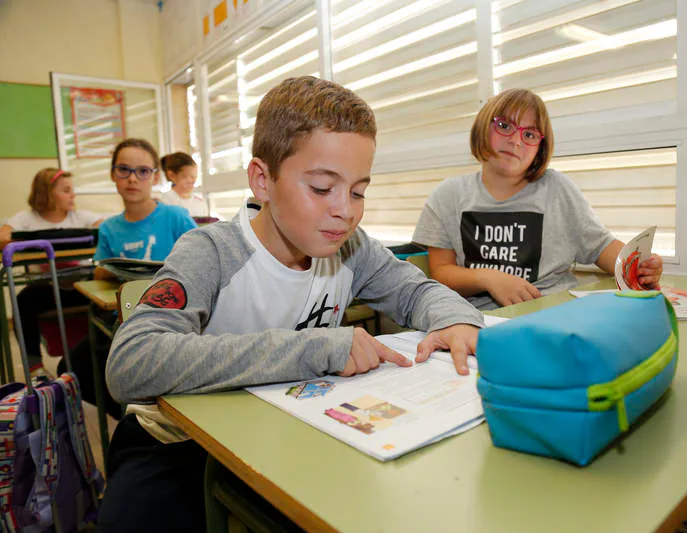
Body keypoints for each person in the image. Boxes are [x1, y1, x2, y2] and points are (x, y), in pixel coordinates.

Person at [97, 76, 484, 533]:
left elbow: (416, 290)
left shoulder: (350, 247)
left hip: (286, 433)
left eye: (358, 190)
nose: (346, 210)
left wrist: (458, 320)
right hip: (174, 444)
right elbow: (130, 363)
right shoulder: (211, 252)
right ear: (263, 180)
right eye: (322, 188)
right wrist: (314, 349)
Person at [412, 88, 663, 310]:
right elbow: (441, 273)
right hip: (481, 320)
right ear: (483, 128)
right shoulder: (448, 196)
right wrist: (488, 277)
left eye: (529, 134)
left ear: (540, 147)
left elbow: (602, 248)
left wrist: (639, 266)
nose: (515, 140)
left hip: (553, 312)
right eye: (504, 126)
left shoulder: (558, 189)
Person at [59, 138, 197, 419]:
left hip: (176, 313)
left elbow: (204, 258)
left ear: (155, 177)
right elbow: (100, 271)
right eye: (124, 170)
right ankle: (130, 416)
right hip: (123, 316)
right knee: (71, 367)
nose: (133, 178)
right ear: (113, 175)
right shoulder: (109, 227)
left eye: (143, 171)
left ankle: (149, 413)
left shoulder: (175, 216)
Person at [0, 168, 103, 374]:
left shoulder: (80, 216)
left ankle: (101, 354)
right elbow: (3, 238)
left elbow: (106, 229)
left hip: (81, 287)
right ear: (46, 193)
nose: (73, 195)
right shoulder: (28, 219)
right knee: (23, 300)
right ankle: (34, 366)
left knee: (103, 294)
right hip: (47, 289)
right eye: (66, 190)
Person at [158, 151, 209, 217]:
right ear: (171, 175)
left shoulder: (200, 202)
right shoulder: (164, 201)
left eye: (194, 176)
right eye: (186, 176)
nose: (192, 181)